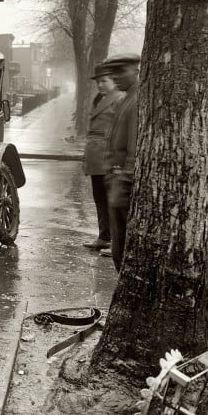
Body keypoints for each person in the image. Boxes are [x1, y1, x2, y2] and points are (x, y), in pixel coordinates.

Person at [103, 53, 141, 271]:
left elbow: (135, 146)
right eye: (113, 72)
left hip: (123, 183)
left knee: (122, 246)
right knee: (118, 243)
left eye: (120, 71)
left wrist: (124, 179)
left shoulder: (137, 99)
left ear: (136, 71)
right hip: (116, 179)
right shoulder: (126, 97)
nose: (115, 77)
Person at [82, 62, 124, 253]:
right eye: (98, 81)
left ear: (114, 81)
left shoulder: (119, 99)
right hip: (95, 155)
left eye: (104, 81)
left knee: (112, 200)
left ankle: (117, 242)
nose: (100, 85)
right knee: (99, 198)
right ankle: (104, 237)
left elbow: (121, 130)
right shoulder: (100, 98)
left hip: (108, 154)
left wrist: (117, 158)